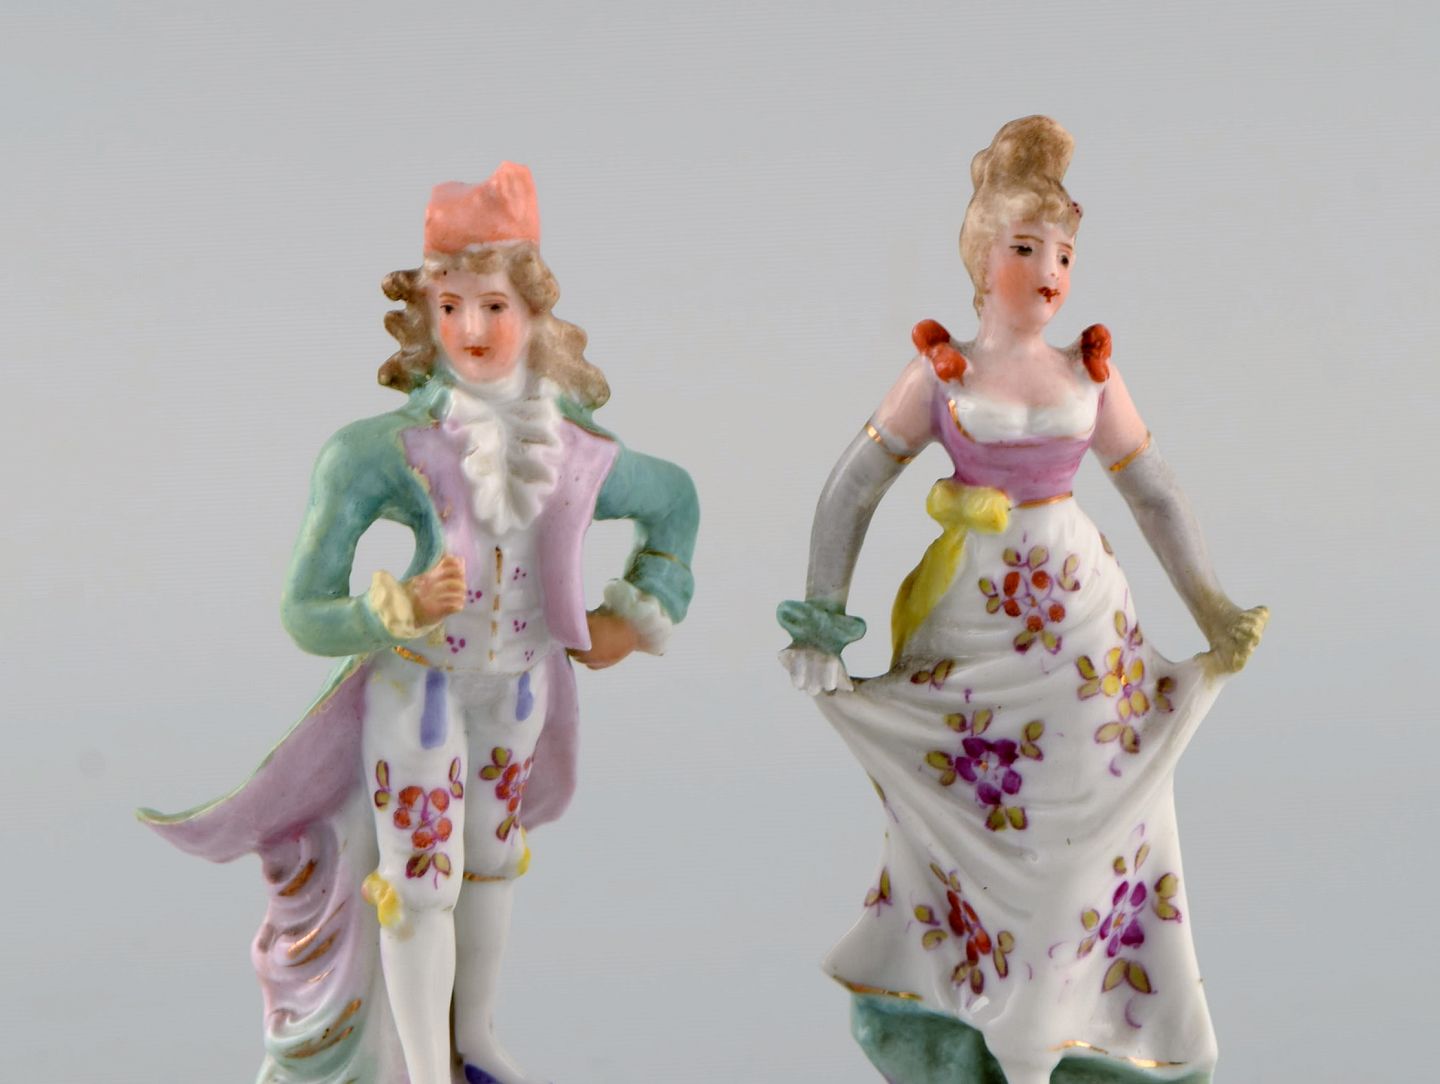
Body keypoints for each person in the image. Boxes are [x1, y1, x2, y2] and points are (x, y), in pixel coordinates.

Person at [141, 163, 698, 1084]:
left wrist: (634, 616)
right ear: (425, 316)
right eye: (450, 307)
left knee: (493, 861)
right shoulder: (382, 451)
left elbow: (675, 503)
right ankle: (423, 1071)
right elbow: (303, 607)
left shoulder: (578, 452)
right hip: (423, 689)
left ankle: (471, 1040)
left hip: (519, 686)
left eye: (493, 306)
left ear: (534, 313)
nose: (472, 330)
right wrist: (386, 610)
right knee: (420, 882)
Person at [778, 117, 1266, 1084]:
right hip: (973, 633)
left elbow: (1154, 491)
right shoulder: (942, 374)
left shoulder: (1090, 371)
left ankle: (1052, 1035)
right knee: (987, 828)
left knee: (1080, 832)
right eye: (1028, 248)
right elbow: (852, 487)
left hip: (1085, 632)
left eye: (1065, 254)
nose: (1050, 272)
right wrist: (822, 620)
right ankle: (992, 1022)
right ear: (982, 257)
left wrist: (1211, 606)